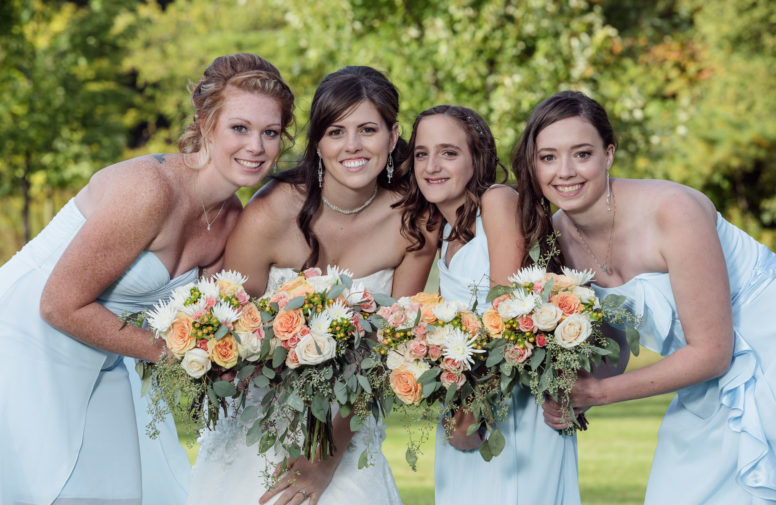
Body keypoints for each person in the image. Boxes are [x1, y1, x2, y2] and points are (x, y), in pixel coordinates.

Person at [0, 53, 295, 505]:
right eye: (239, 128)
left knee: (120, 490)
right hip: (25, 336)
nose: (256, 147)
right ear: (206, 124)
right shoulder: (150, 190)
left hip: (104, 353)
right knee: (48, 490)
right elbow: (59, 304)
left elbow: (217, 314)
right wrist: (177, 354)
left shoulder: (230, 221)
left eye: (271, 133)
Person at [187, 66, 437, 505]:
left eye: (368, 130)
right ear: (317, 142)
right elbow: (231, 329)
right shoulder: (270, 212)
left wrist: (324, 458)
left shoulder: (414, 223)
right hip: (257, 422)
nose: (353, 146)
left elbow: (389, 349)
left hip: (348, 430)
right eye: (336, 131)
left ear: (394, 135)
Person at [515, 90, 776, 504]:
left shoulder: (673, 210)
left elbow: (712, 352)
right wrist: (572, 389)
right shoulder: (555, 239)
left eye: (582, 154)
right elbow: (613, 339)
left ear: (609, 154)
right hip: (703, 381)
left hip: (765, 348)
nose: (564, 171)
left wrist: (598, 394)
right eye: (548, 157)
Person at [399, 105, 581, 505]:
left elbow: (505, 308)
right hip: (468, 395)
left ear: (477, 157)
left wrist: (469, 416)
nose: (432, 165)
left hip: (514, 398)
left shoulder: (496, 201)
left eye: (449, 152)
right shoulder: (440, 229)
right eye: (421, 153)